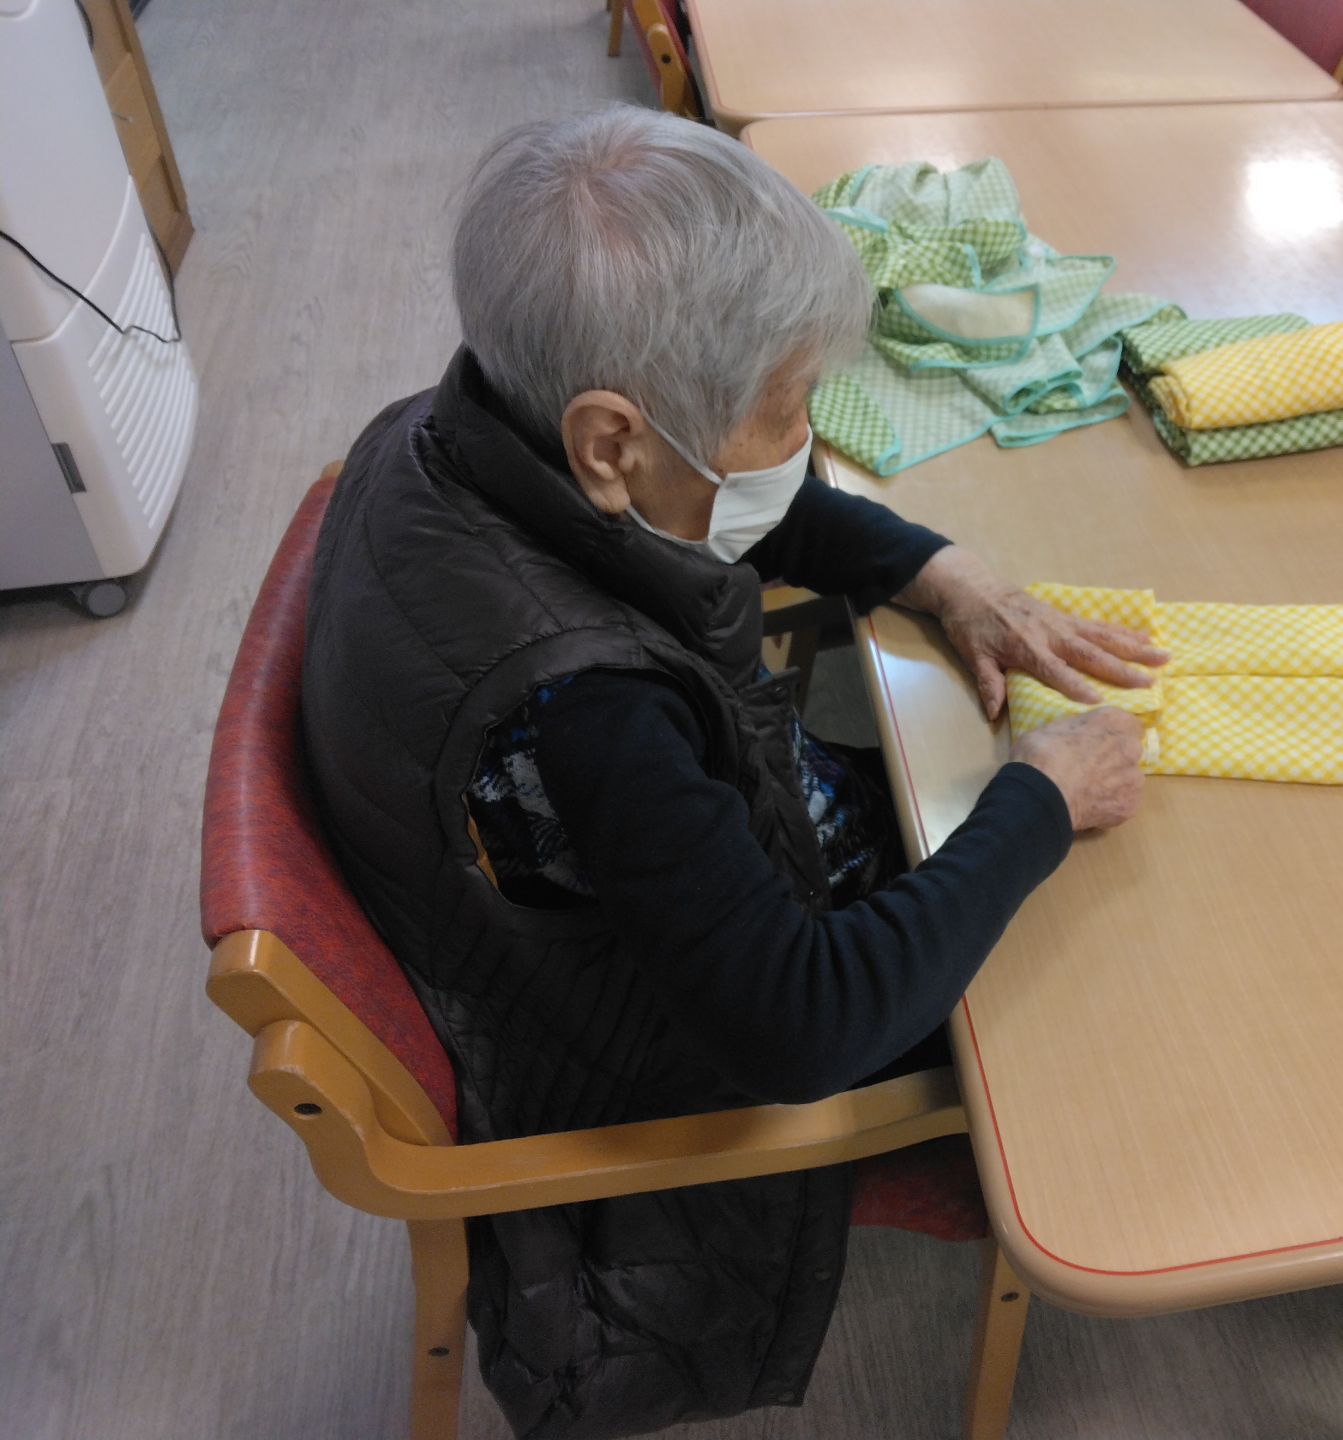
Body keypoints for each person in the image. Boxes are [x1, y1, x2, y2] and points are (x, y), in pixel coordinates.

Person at [300, 105, 1162, 1440]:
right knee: (1142, 961)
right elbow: (803, 1025)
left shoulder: (461, 431)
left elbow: (726, 495)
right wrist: (1041, 799)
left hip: (640, 899)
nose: (804, 438)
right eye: (789, 406)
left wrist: (939, 571)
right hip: (672, 1055)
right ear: (610, 442)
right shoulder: (591, 713)